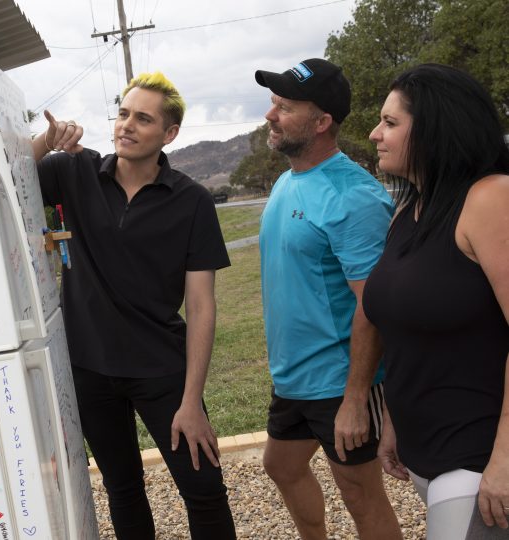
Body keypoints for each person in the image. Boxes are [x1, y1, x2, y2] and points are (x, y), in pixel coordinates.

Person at [30, 72, 236, 539]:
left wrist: (191, 402)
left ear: (169, 134)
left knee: (204, 489)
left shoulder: (193, 201)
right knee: (122, 489)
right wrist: (47, 139)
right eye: (123, 113)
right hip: (91, 369)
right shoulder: (74, 170)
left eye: (143, 119)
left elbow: (202, 308)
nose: (127, 125)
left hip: (162, 370)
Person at [255, 58, 402, 539]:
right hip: (293, 377)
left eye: (286, 106)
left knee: (361, 495)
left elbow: (375, 306)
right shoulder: (285, 182)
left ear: (321, 123)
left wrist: (356, 398)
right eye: (274, 103)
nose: (271, 115)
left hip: (340, 382)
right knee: (282, 466)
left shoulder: (353, 196)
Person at [365, 64, 509, 539]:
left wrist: (505, 459)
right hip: (424, 450)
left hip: (479, 452)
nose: (374, 134)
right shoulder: (408, 213)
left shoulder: (491, 199)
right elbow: (404, 333)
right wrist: (391, 420)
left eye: (390, 122)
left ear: (435, 128)